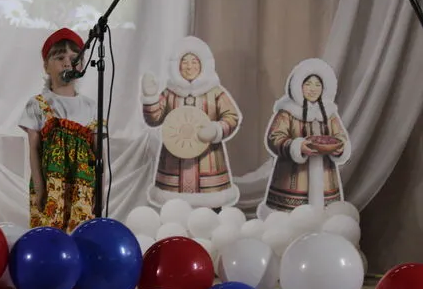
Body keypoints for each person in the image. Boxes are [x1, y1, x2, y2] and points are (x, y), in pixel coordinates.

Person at [141, 36, 242, 209]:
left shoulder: (215, 92)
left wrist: (216, 129)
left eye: (194, 62)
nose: (189, 67)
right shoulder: (170, 93)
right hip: (173, 165)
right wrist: (150, 98)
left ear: (203, 65)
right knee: (174, 212)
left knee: (210, 214)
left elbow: (231, 117)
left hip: (208, 161)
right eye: (184, 62)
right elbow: (154, 119)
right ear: (177, 66)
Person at [18, 28, 99, 233]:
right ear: (46, 66)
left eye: (74, 58)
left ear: (81, 64)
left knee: (80, 234)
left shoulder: (91, 107)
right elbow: (34, 149)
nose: (67, 63)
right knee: (49, 235)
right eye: (60, 57)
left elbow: (100, 154)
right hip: (51, 186)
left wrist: (100, 191)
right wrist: (39, 187)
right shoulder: (39, 104)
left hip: (83, 188)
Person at [258, 58, 350, 217]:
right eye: (308, 84)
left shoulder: (329, 113)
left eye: (317, 85)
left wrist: (339, 147)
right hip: (293, 177)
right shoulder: (287, 112)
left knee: (327, 218)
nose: (313, 89)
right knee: (292, 220)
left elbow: (340, 136)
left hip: (325, 177)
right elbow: (274, 138)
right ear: (299, 86)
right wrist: (297, 146)